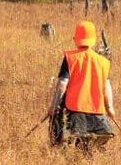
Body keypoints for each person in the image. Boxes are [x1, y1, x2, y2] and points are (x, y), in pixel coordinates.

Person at [48, 20, 115, 150]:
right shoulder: (103, 62)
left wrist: (54, 106)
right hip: (97, 111)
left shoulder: (70, 58)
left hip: (75, 109)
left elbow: (62, 83)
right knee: (89, 145)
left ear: (75, 39)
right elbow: (107, 87)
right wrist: (110, 107)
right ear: (94, 40)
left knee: (78, 140)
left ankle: (57, 148)